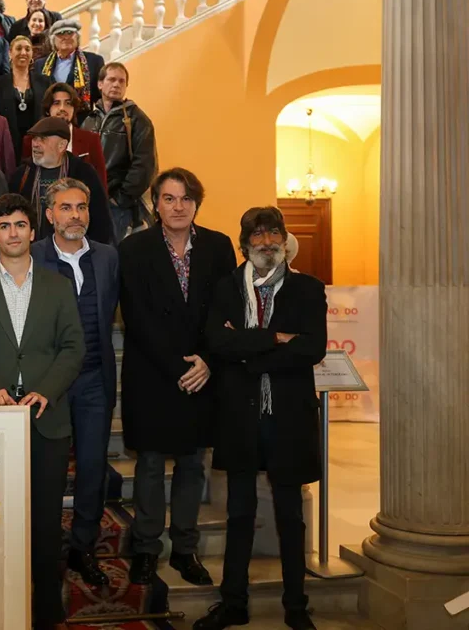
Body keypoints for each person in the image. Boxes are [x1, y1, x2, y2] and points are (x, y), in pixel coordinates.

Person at [196, 207, 324, 630]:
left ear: (285, 240)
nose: (267, 242)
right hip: (240, 417)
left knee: (291, 515)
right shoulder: (226, 287)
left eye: (274, 234)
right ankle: (234, 603)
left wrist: (247, 349)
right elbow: (218, 342)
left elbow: (313, 349)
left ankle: (296, 607)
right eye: (258, 235)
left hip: (288, 418)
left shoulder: (307, 288)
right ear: (244, 243)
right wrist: (273, 337)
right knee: (239, 514)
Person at [0, 193, 84, 630]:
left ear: (33, 232)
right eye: (4, 226)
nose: (12, 233)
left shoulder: (58, 283)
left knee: (45, 523)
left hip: (45, 420)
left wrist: (45, 391)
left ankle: (46, 612)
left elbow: (74, 347)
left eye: (19, 225)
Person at [118, 168, 237, 588]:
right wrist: (180, 366)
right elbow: (137, 317)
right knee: (149, 466)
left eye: (186, 198)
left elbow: (227, 311)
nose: (178, 206)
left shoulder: (219, 247)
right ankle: (147, 550)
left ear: (196, 204)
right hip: (153, 374)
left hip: (203, 374)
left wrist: (205, 359)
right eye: (169, 198)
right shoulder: (133, 250)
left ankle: (186, 550)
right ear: (155, 204)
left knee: (192, 465)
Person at [31, 178, 120, 588]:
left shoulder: (107, 258)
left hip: (93, 382)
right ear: (49, 215)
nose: (75, 215)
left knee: (91, 468)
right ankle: (39, 550)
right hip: (46, 385)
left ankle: (82, 546)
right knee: (41, 472)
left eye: (81, 207)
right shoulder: (31, 257)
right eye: (65, 208)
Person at [81, 62, 158, 240]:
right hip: (89, 202)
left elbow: (145, 165)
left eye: (121, 81)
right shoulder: (89, 120)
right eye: (112, 79)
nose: (116, 84)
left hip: (117, 205)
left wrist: (120, 199)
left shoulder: (137, 119)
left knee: (115, 256)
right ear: (100, 84)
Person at [14, 117, 114, 244]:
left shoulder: (83, 173)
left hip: (74, 253)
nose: (35, 144)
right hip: (33, 254)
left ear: (61, 145)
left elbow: (100, 220)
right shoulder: (22, 174)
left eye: (42, 139)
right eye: (34, 138)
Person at [21, 83, 108, 186]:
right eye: (56, 103)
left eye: (68, 103)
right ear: (48, 109)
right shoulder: (31, 140)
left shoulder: (91, 139)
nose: (62, 108)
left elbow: (101, 183)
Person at [0, 35, 53, 167]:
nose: (23, 53)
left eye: (27, 49)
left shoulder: (45, 82)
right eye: (18, 49)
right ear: (10, 53)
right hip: (8, 144)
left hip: (38, 143)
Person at [34, 19, 103, 112]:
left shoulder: (93, 61)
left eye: (70, 33)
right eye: (60, 33)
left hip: (82, 120)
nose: (66, 37)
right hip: (50, 121)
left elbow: (101, 97)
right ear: (53, 40)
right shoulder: (40, 65)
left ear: (77, 38)